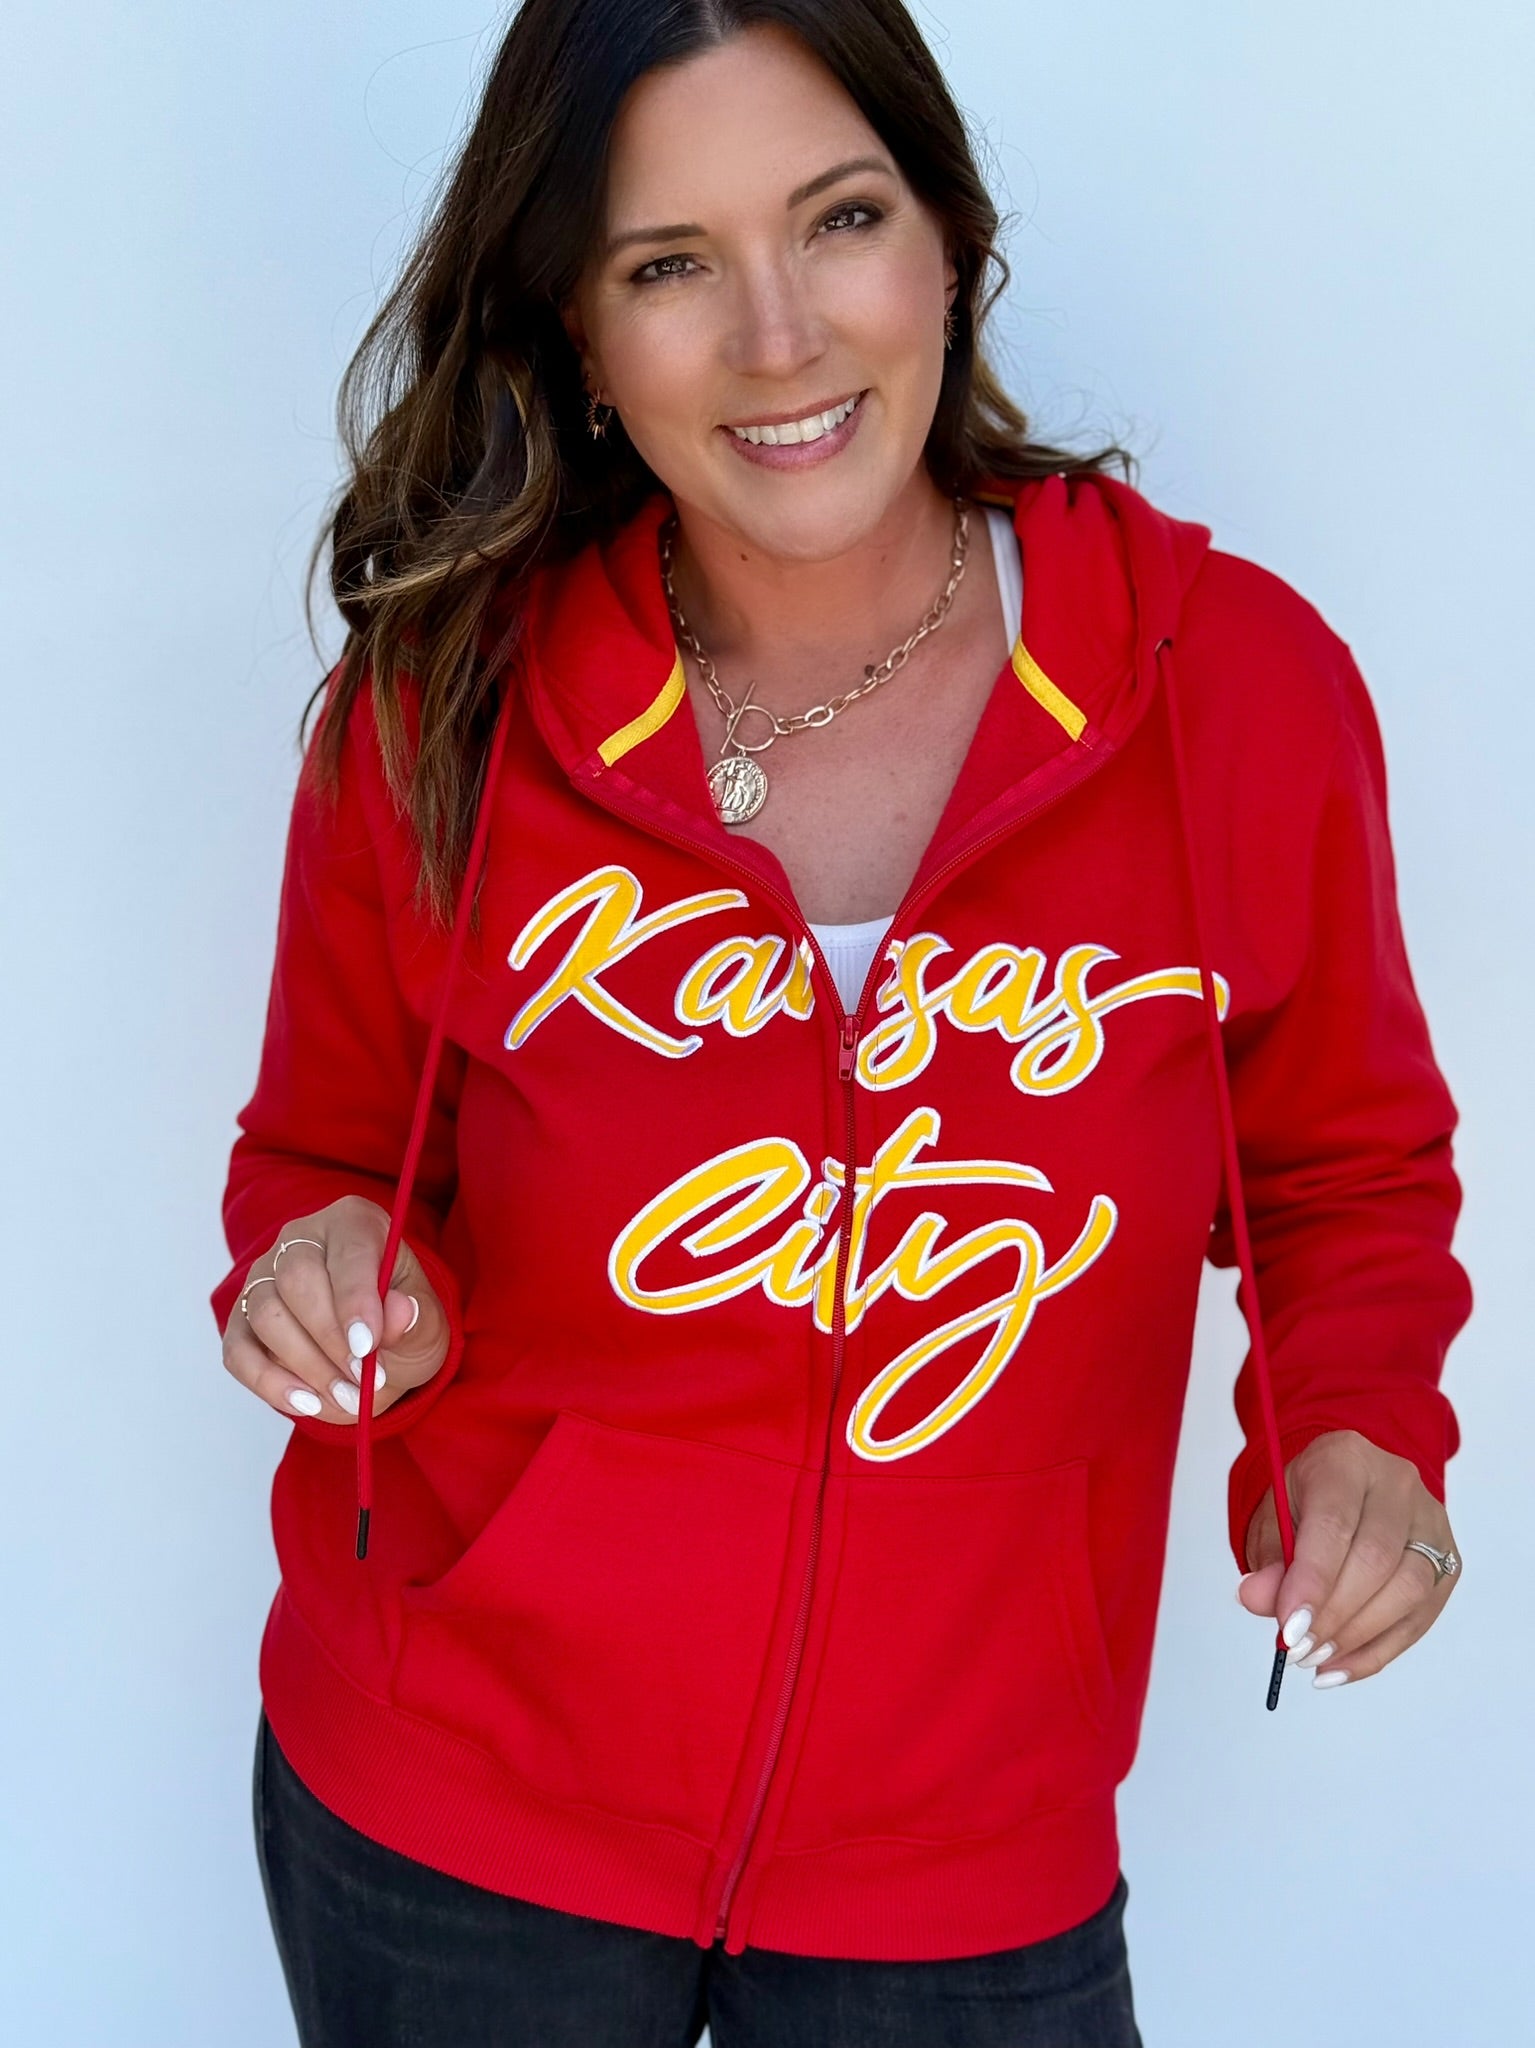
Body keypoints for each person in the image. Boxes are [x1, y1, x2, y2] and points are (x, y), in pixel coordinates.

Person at [211, 2, 1472, 2042]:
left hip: (963, 1858)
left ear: (950, 240)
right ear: (580, 333)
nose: (781, 336)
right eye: (670, 264)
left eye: (842, 219)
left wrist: (1357, 1430)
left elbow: (1344, 1169)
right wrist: (337, 1281)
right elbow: (326, 1161)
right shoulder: (441, 707)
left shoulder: (1231, 691)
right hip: (451, 1819)